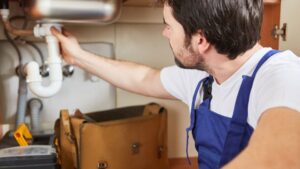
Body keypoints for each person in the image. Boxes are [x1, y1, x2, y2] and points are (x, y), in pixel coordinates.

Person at [51, 0, 300, 168]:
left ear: (201, 40)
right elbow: (143, 78)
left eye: (169, 26)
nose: (165, 33)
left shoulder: (280, 75)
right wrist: (77, 57)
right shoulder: (206, 76)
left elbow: (283, 156)